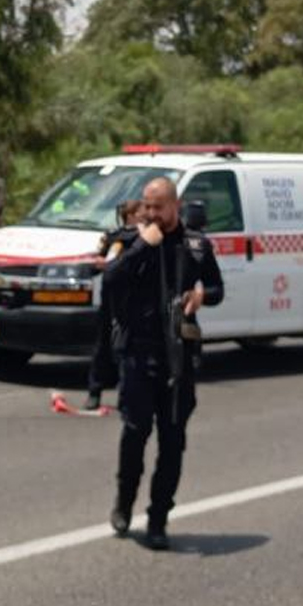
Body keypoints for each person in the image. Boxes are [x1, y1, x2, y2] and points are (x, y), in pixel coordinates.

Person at [100, 177, 224, 550]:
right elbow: (109, 282)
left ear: (176, 206)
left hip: (179, 360)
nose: (151, 214)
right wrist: (141, 247)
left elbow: (217, 288)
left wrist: (202, 294)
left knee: (173, 443)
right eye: (147, 207)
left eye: (159, 207)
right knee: (135, 434)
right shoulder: (129, 241)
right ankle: (124, 502)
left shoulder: (196, 246)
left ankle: (158, 519)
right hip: (139, 355)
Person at [85, 199, 143, 413]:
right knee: (103, 345)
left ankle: (125, 392)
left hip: (132, 299)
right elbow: (96, 267)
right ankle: (94, 391)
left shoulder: (142, 239)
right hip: (110, 298)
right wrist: (97, 263)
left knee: (128, 347)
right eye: (140, 211)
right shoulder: (112, 238)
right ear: (131, 215)